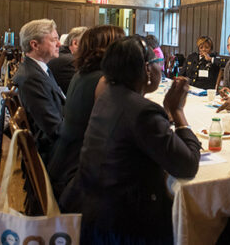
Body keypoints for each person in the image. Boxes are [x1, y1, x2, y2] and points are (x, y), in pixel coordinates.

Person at [74, 36, 200, 244]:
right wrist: (177, 112)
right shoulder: (142, 111)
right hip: (128, 226)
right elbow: (187, 166)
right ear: (146, 69)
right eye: (157, 63)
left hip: (95, 214)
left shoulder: (110, 95)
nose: (161, 68)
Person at [48, 25, 125, 201]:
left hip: (63, 157)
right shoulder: (103, 80)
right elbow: (117, 129)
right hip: (77, 171)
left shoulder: (83, 73)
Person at [12, 19, 65, 164]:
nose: (59, 44)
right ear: (35, 45)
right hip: (52, 154)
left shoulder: (39, 69)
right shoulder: (32, 78)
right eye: (54, 40)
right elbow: (54, 129)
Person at [48, 26, 87, 94]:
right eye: (88, 44)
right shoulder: (69, 61)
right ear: (75, 43)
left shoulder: (61, 54)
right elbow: (80, 92)